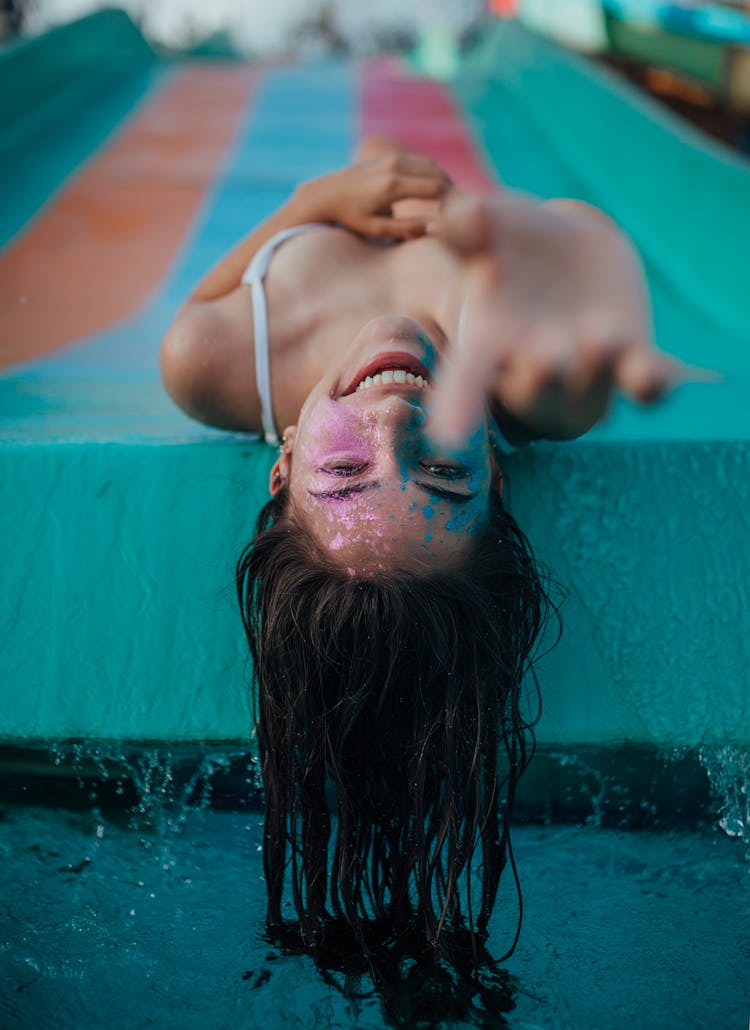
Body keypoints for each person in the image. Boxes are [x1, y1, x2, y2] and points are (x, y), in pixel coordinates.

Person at [160, 138, 678, 966]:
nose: (395, 425)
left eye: (343, 468)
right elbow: (591, 237)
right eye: (442, 470)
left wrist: (317, 199)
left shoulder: (218, 363)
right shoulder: (540, 373)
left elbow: (205, 296)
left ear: (285, 462)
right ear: (496, 473)